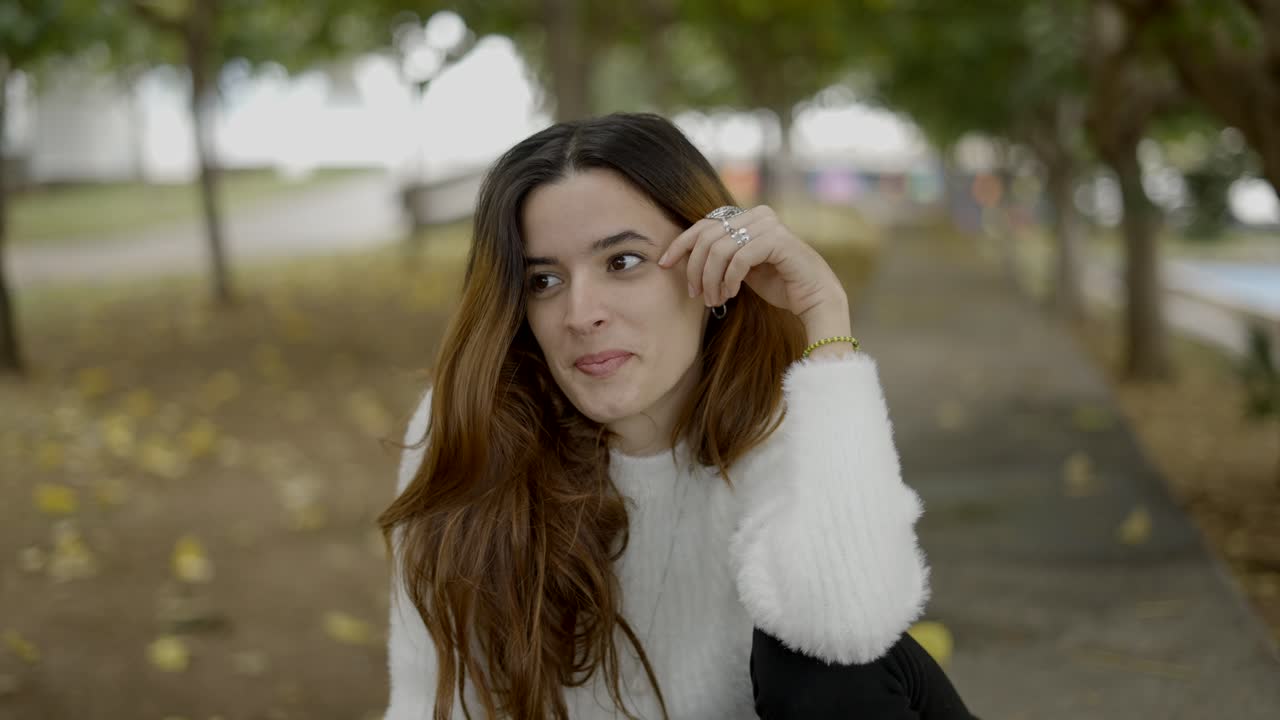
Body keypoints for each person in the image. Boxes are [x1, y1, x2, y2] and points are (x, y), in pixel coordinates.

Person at [379, 112, 976, 719]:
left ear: (709, 263)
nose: (581, 314)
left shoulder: (790, 424)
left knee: (818, 656)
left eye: (623, 262)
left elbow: (850, 629)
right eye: (545, 279)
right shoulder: (469, 431)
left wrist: (825, 318)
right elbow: (429, 698)